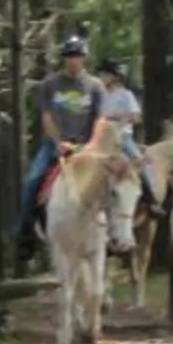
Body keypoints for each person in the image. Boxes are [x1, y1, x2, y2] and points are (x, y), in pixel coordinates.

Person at [19, 36, 103, 252]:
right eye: (69, 56)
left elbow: (100, 119)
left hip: (86, 145)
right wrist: (57, 142)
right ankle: (25, 231)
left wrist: (92, 145)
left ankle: (115, 233)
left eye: (77, 56)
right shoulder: (50, 84)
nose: (73, 60)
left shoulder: (95, 86)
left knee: (115, 180)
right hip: (56, 144)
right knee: (33, 180)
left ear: (84, 58)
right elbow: (46, 117)